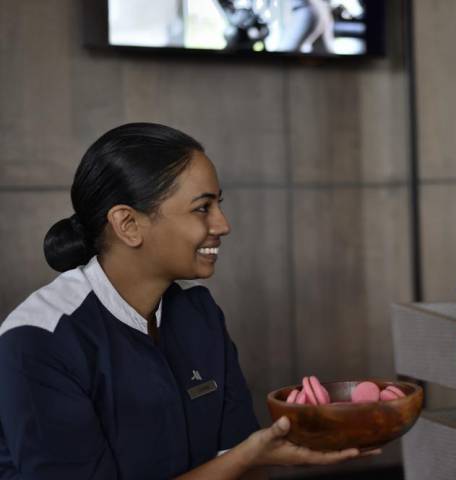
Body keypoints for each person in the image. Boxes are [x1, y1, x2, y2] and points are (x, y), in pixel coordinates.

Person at [0, 123, 371, 479]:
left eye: (218, 205)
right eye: (202, 208)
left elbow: (239, 457)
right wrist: (249, 456)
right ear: (128, 224)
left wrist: (254, 456)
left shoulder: (200, 315)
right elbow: (242, 457)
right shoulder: (38, 341)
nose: (223, 225)